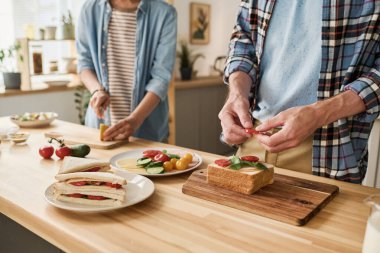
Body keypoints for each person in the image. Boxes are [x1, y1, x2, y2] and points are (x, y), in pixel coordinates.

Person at [219, 0, 380, 183]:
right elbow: (243, 40)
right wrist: (236, 94)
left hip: (330, 150)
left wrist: (320, 113)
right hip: (253, 136)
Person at [76, 0, 177, 142]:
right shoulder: (89, 9)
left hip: (148, 132)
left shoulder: (165, 13)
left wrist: (135, 119)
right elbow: (84, 64)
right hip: (99, 128)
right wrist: (97, 90)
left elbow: (161, 77)